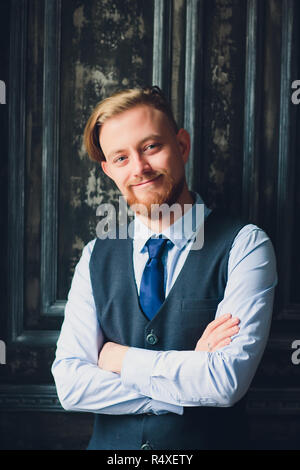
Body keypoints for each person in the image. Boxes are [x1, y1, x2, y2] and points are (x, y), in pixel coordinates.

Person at [51, 86, 278, 450]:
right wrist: (186, 380)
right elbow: (71, 387)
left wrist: (117, 358)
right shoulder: (96, 254)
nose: (139, 168)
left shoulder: (245, 245)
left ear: (182, 146)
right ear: (109, 170)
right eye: (121, 158)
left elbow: (224, 382)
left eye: (151, 147)